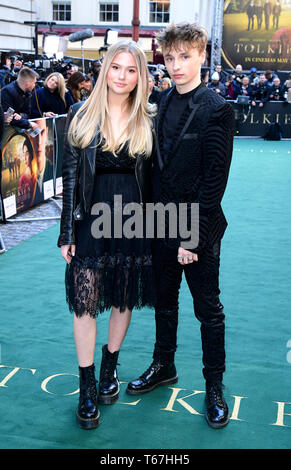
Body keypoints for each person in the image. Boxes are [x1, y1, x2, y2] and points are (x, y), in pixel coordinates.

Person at [126, 22, 234, 429]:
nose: (176, 66)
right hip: (159, 226)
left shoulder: (218, 108)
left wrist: (193, 237)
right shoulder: (159, 104)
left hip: (198, 230)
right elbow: (154, 172)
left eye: (185, 57)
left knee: (209, 310)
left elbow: (214, 181)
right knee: (164, 304)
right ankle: (164, 366)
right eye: (170, 58)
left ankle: (214, 386)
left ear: (202, 56)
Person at [57, 40, 155, 430]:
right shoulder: (80, 113)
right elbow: (70, 177)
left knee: (122, 296)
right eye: (117, 67)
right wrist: (67, 231)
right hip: (90, 217)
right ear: (105, 69)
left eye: (132, 70)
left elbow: (157, 179)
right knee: (85, 300)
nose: (122, 77)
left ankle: (109, 366)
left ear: (140, 76)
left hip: (133, 217)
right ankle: (86, 385)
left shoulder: (149, 116)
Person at [1, 67, 40, 131]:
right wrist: (28, 124)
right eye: (34, 83)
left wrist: (20, 115)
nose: (34, 85)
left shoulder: (28, 93)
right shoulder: (7, 92)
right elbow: (8, 118)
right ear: (28, 84)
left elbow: (28, 113)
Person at [31, 118, 53, 204]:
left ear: (47, 133)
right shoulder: (26, 177)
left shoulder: (54, 170)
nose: (39, 142)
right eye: (35, 134)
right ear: (30, 136)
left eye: (42, 133)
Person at [18, 139, 36, 209]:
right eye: (24, 154)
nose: (24, 158)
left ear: (31, 154)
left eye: (27, 153)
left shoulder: (37, 176)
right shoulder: (22, 179)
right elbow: (20, 204)